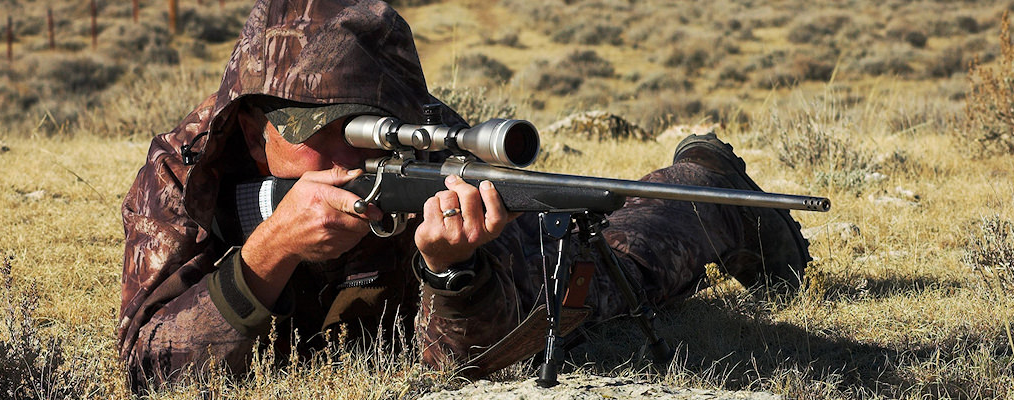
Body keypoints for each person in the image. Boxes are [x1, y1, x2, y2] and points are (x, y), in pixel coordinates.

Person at [117, 0, 810, 390]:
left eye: (362, 133)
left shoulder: (436, 151)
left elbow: (482, 359)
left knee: (629, 263)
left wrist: (454, 273)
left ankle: (707, 178)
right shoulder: (186, 172)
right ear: (247, 120)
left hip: (508, 269)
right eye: (310, 131)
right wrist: (264, 255)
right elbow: (149, 370)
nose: (342, 158)